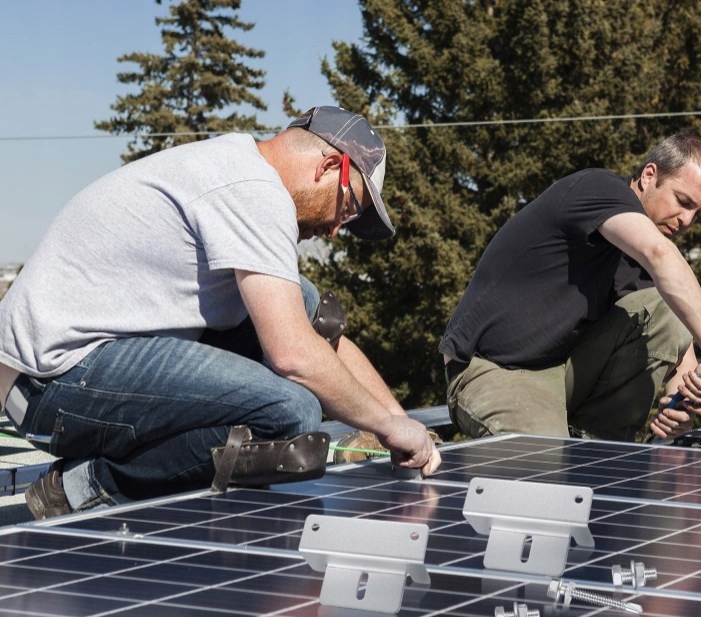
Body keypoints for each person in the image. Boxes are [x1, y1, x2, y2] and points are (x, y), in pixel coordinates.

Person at [0, 105, 441, 519]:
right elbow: (294, 357)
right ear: (328, 167)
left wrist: (399, 424)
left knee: (304, 302)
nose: (334, 228)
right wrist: (383, 423)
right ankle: (83, 488)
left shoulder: (240, 166)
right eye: (346, 207)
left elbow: (320, 336)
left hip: (81, 362)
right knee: (291, 414)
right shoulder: (253, 191)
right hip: (50, 382)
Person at [440, 133, 701, 443]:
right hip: (492, 370)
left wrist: (681, 404)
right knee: (542, 461)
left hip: (560, 373)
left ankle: (598, 448)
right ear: (649, 175)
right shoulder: (598, 189)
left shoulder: (641, 260)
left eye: (698, 213)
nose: (686, 219)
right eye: (682, 202)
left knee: (666, 308)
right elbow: (661, 256)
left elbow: (677, 341)